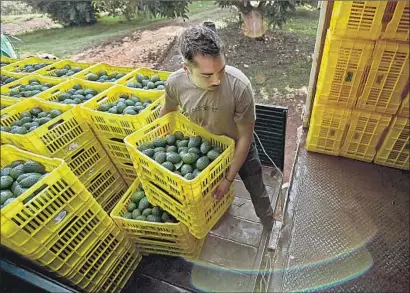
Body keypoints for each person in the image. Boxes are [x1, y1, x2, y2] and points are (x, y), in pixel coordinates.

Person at [159, 25, 274, 227]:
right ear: (186, 69)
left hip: (239, 147)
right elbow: (167, 113)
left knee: (257, 189)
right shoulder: (175, 83)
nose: (217, 80)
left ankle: (269, 222)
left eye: (221, 70)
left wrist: (229, 179)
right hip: (205, 150)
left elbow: (245, 136)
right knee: (210, 196)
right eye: (207, 75)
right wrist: (161, 142)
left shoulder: (239, 86)